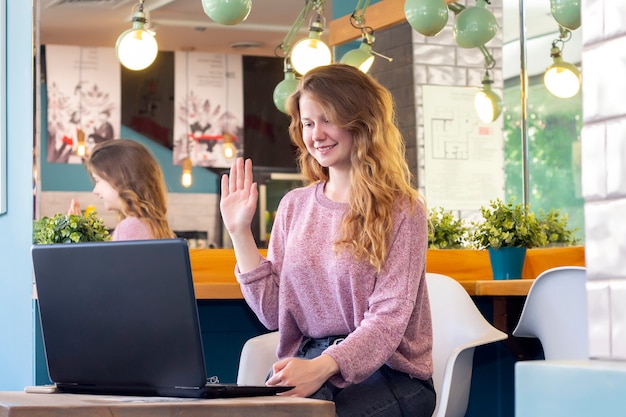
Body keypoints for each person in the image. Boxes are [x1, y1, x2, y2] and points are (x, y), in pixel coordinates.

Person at [220, 64, 435, 417]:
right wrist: (239, 232)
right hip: (307, 363)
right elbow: (275, 314)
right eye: (307, 123)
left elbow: (388, 321)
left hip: (391, 374)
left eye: (327, 119)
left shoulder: (403, 210)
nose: (315, 134)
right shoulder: (294, 206)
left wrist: (323, 366)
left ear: (360, 121)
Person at [68, 139, 175, 241]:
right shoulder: (154, 225)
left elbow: (110, 261)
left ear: (120, 179)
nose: (95, 191)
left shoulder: (130, 228)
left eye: (98, 180)